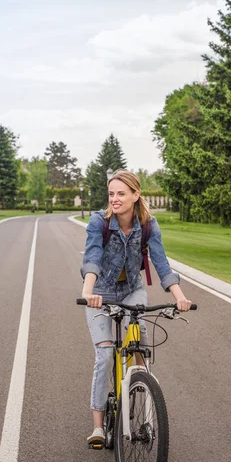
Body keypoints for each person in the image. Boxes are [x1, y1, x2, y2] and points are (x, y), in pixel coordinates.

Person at [80, 170, 192, 445]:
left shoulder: (149, 225)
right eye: (111, 194)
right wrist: (87, 291)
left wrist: (180, 296)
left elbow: (161, 263)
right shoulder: (99, 222)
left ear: (135, 194)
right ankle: (98, 426)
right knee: (105, 354)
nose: (114, 200)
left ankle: (141, 397)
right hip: (100, 292)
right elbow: (92, 256)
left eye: (121, 194)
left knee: (139, 343)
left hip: (132, 290)